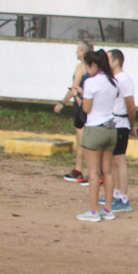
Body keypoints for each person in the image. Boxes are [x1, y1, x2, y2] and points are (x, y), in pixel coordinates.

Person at [75, 50, 119, 222]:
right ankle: (108, 209)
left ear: (93, 65)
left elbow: (86, 109)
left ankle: (93, 211)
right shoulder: (113, 81)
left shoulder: (91, 82)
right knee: (107, 172)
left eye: (87, 66)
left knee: (93, 174)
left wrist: (78, 97)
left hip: (94, 129)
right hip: (110, 129)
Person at [54, 40, 93, 185]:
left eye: (78, 49)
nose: (76, 52)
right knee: (88, 140)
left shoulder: (81, 67)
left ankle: (82, 171)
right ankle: (82, 170)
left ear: (84, 51)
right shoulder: (95, 68)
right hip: (92, 106)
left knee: (82, 140)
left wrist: (62, 103)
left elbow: (74, 88)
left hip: (80, 105)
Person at [107, 49, 136, 212]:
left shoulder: (124, 80)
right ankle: (116, 194)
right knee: (112, 161)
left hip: (121, 123)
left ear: (116, 61)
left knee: (119, 161)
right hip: (113, 123)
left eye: (108, 59)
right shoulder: (114, 79)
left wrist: (131, 124)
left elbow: (131, 105)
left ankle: (124, 198)